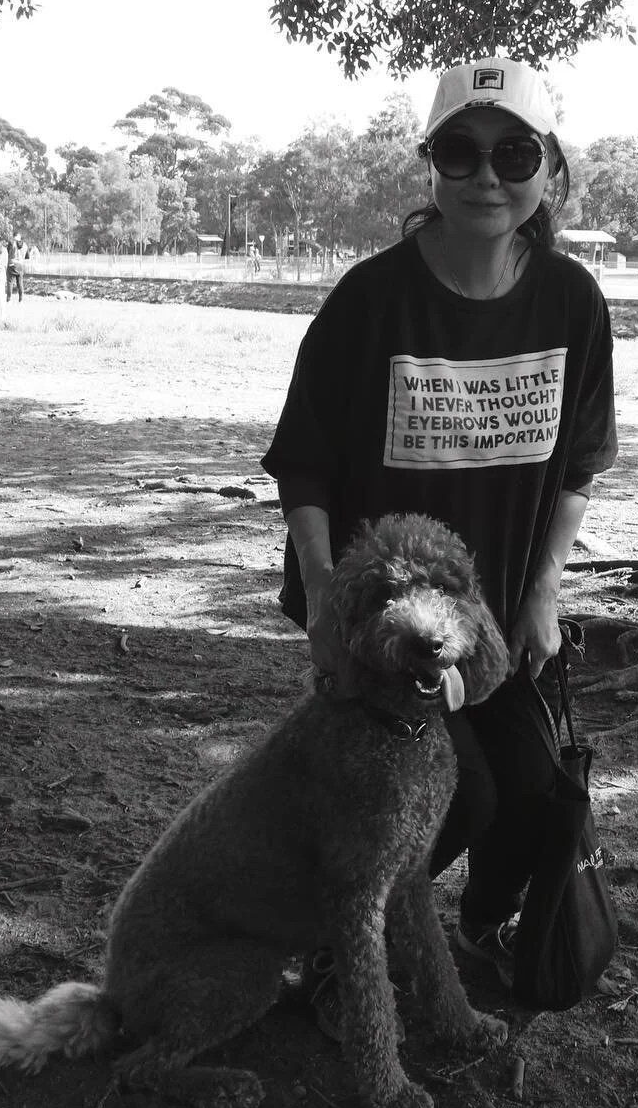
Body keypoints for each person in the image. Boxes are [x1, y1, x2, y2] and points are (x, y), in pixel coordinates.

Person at [261, 56, 618, 1009]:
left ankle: (472, 926)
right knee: (460, 795)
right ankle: (349, 942)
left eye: (513, 152)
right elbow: (305, 464)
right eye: (459, 152)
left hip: (495, 615)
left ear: (549, 167)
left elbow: (578, 463)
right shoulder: (370, 301)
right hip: (381, 621)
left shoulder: (572, 302)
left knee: (540, 797)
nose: (486, 176)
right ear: (431, 167)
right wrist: (329, 598)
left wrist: (543, 591)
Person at [6, 232, 27, 303]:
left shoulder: (11, 243)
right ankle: (20, 299)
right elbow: (27, 257)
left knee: (10, 282)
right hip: (21, 265)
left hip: (12, 264)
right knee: (20, 283)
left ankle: (8, 299)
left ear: (14, 236)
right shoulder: (25, 245)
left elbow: (7, 253)